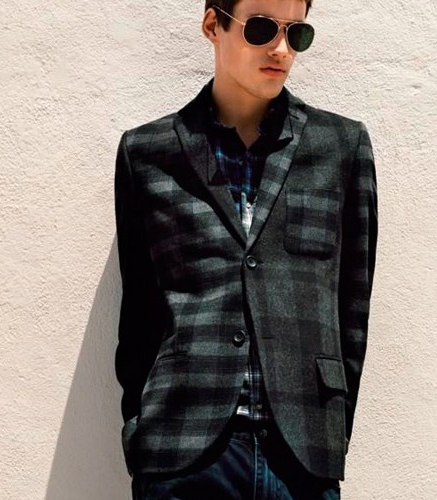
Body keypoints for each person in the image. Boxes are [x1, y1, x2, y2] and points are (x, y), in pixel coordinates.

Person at [114, 0, 378, 498]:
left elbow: (353, 307)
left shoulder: (341, 147)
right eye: (260, 29)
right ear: (213, 25)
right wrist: (142, 431)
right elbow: (139, 317)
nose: (280, 49)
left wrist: (331, 431)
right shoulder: (147, 153)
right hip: (182, 453)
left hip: (302, 456)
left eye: (296, 34)